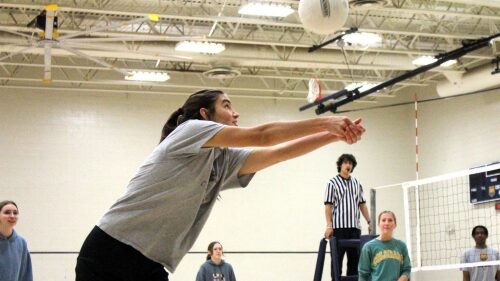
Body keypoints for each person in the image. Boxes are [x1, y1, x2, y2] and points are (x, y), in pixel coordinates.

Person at [75, 89, 366, 281]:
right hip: (109, 252)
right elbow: (263, 135)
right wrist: (327, 122)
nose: (235, 113)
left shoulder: (222, 160)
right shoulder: (188, 132)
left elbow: (278, 153)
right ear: (205, 115)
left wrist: (335, 136)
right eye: (227, 106)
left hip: (149, 265)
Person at [324, 153, 371, 277]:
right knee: (336, 260)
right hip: (338, 228)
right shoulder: (332, 183)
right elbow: (328, 206)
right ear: (340, 165)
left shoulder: (357, 183)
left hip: (355, 228)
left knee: (354, 261)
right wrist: (329, 226)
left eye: (350, 163)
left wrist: (369, 221)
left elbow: (362, 204)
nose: (348, 165)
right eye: (345, 162)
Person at [358, 210, 411, 281]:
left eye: (390, 220)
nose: (386, 223)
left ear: (395, 224)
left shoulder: (401, 246)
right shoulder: (368, 247)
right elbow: (363, 275)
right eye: (383, 220)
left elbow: (407, 269)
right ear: (378, 224)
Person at [0, 200, 33, 281]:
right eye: (7, 212)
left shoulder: (21, 243)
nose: (12, 216)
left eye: (15, 213)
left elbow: (26, 274)